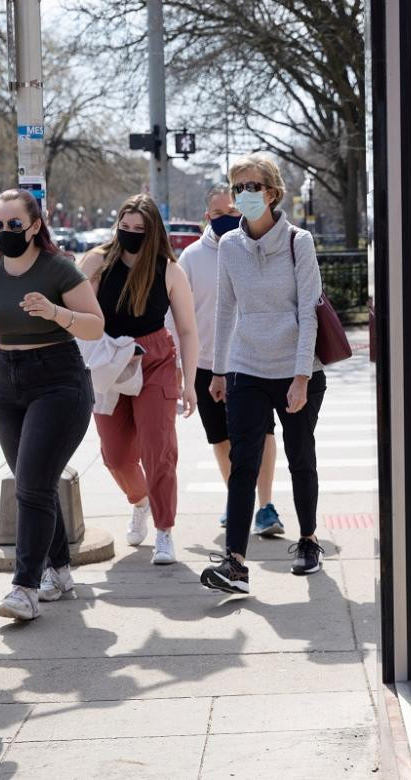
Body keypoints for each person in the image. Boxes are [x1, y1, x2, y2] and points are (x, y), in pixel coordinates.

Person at [199, 153, 328, 594]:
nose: (244, 195)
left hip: (295, 368)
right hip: (246, 367)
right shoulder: (229, 246)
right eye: (238, 188)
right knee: (243, 464)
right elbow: (225, 307)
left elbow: (309, 314)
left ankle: (309, 540)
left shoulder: (299, 241)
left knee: (299, 455)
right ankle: (235, 562)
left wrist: (301, 378)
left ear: (272, 193)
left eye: (252, 187)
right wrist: (219, 370)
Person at [0, 189, 103, 621]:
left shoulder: (59, 269)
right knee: (35, 482)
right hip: (6, 380)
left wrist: (54, 312)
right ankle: (60, 571)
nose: (4, 232)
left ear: (35, 226)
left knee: (32, 483)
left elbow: (95, 326)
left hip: (58, 381)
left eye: (14, 224)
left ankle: (25, 587)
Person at [80, 193, 198, 565]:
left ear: (153, 233)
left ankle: (164, 530)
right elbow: (78, 315)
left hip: (155, 359)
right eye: (124, 227)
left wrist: (189, 383)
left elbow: (188, 331)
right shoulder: (97, 262)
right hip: (109, 359)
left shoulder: (169, 270)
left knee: (157, 448)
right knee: (115, 455)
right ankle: (140, 501)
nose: (130, 235)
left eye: (139, 229)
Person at [178, 183, 282, 535]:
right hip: (207, 364)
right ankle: (236, 499)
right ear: (207, 217)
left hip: (252, 361)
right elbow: (176, 315)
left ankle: (265, 505)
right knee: (220, 439)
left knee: (263, 433)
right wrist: (183, 368)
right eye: (219, 213)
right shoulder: (190, 258)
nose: (226, 217)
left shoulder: (256, 249)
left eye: (232, 211)